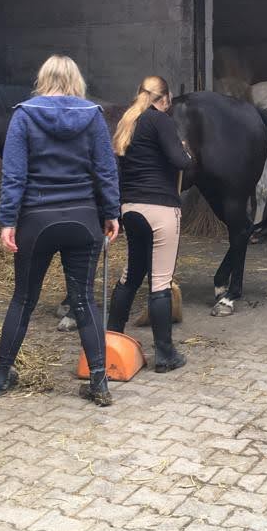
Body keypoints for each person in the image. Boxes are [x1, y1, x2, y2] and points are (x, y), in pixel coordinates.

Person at [0, 55, 121, 406]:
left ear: (43, 79)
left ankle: (2, 376)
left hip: (37, 220)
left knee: (23, 298)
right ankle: (100, 382)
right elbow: (106, 169)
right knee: (84, 300)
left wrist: (8, 221)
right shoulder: (93, 116)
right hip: (83, 219)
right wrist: (112, 212)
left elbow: (14, 174)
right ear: (76, 81)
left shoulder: (24, 115)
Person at [108, 75, 191, 372]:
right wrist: (185, 151)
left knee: (131, 275)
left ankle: (111, 341)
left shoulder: (128, 121)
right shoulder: (160, 120)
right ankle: (165, 354)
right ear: (165, 98)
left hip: (131, 209)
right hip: (160, 209)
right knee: (160, 282)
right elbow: (180, 161)